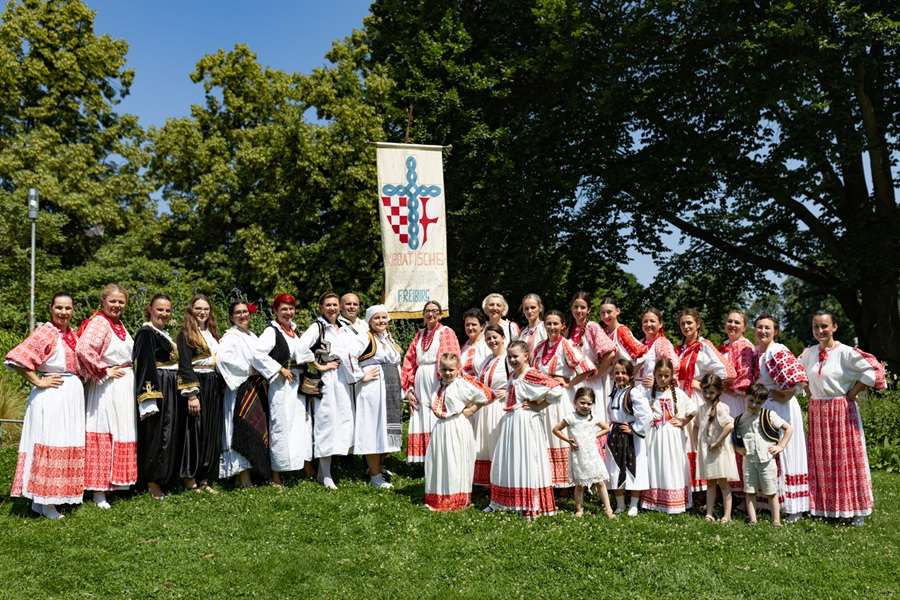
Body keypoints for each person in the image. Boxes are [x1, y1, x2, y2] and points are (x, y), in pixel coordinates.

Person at [799, 311, 886, 525]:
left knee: (847, 459)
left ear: (834, 327)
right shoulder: (809, 353)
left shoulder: (845, 352)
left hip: (841, 409)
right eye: (816, 326)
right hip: (817, 409)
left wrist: (854, 392)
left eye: (824, 326)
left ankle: (856, 509)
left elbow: (871, 371)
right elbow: (798, 373)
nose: (820, 330)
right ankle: (824, 506)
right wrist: (808, 391)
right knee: (821, 459)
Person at [5, 293, 84, 519]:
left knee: (65, 442)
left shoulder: (70, 334)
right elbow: (16, 359)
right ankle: (46, 502)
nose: (63, 312)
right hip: (52, 395)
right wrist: (39, 381)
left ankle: (43, 501)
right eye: (59, 307)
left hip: (68, 395)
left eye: (67, 308)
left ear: (73, 310)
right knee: (51, 442)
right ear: (51, 308)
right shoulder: (47, 332)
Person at [488, 341, 567, 518]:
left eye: (515, 356)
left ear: (526, 356)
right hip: (511, 420)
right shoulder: (513, 375)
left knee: (527, 459)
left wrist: (538, 406)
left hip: (525, 421)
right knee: (512, 459)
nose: (512, 360)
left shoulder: (531, 374)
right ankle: (508, 501)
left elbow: (556, 389)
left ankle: (530, 503)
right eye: (509, 357)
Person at [76, 284, 137, 508]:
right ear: (103, 301)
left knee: (120, 431)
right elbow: (83, 349)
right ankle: (98, 492)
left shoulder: (118, 324)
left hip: (122, 387)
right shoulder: (100, 322)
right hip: (107, 388)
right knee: (104, 430)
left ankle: (114, 485)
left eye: (121, 302)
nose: (117, 305)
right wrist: (104, 370)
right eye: (113, 301)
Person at [299, 292, 366, 489]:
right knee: (326, 424)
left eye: (335, 305)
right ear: (321, 307)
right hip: (326, 382)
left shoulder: (344, 327)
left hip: (343, 381)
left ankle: (330, 468)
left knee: (342, 422)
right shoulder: (317, 327)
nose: (332, 308)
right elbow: (300, 348)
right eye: (328, 305)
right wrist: (320, 366)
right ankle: (325, 473)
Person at [254, 294, 315, 485]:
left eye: (291, 308)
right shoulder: (271, 331)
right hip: (281, 385)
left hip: (297, 383)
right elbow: (257, 354)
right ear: (275, 311)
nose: (288, 313)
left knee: (299, 424)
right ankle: (276, 474)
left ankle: (299, 465)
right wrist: (279, 369)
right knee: (281, 425)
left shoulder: (294, 332)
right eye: (284, 309)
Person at [753, 313, 809, 522]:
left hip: (782, 407)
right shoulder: (761, 353)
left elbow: (799, 379)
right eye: (759, 327)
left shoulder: (778, 350)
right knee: (769, 452)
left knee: (785, 451)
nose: (763, 331)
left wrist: (787, 394)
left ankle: (793, 506)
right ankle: (772, 502)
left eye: (767, 327)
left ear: (775, 331)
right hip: (768, 405)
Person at [532, 310, 595, 488]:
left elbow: (587, 367)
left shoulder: (566, 344)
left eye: (555, 323)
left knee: (559, 434)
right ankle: (547, 479)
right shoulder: (539, 346)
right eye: (548, 323)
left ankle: (566, 483)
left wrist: (569, 383)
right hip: (542, 395)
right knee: (544, 435)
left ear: (563, 326)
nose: (552, 327)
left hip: (559, 397)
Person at [675, 308, 733, 494]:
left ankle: (701, 490)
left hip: (696, 398)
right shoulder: (680, 349)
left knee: (696, 441)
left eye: (689, 323)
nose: (686, 326)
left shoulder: (703, 346)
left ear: (698, 324)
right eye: (683, 323)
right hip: (681, 398)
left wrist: (702, 386)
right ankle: (686, 488)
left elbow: (726, 372)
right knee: (684, 442)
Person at [424, 353, 490, 511]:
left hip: (457, 425)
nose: (447, 373)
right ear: (439, 369)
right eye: (444, 369)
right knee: (441, 460)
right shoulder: (439, 385)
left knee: (455, 460)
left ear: (458, 368)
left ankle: (455, 499)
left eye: (451, 370)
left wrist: (471, 410)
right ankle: (439, 496)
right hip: (441, 426)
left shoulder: (462, 384)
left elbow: (484, 395)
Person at [216, 301, 271, 488]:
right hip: (240, 388)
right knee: (239, 429)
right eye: (238, 313)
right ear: (231, 317)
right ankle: (242, 477)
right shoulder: (230, 337)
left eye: (245, 312)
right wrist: (249, 369)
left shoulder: (252, 336)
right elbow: (222, 360)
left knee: (253, 428)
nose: (243, 316)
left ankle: (251, 473)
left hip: (254, 387)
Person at [133, 294, 181, 499]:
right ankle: (151, 482)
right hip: (158, 385)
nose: (164, 313)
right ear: (150, 309)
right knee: (156, 434)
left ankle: (164, 478)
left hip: (170, 384)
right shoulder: (146, 333)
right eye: (160, 309)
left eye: (167, 310)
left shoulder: (162, 334)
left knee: (167, 432)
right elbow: (145, 364)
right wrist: (149, 397)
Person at [401, 300, 461, 463]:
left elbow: (451, 357)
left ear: (440, 315)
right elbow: (409, 360)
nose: (431, 314)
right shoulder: (420, 335)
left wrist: (446, 382)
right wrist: (409, 387)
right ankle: (424, 458)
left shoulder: (446, 332)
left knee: (436, 412)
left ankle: (439, 456)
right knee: (422, 414)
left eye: (435, 311)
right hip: (421, 378)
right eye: (427, 310)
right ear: (423, 314)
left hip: (437, 378)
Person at [176, 294, 224, 492]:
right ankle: (190, 479)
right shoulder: (186, 334)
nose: (202, 312)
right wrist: (192, 395)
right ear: (191, 310)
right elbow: (185, 366)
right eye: (198, 308)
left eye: (206, 309)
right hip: (197, 383)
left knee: (210, 431)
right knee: (194, 431)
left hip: (213, 383)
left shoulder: (212, 334)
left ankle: (204, 478)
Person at [353, 304, 403, 489]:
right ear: (369, 321)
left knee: (385, 429)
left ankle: (378, 467)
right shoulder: (364, 337)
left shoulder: (388, 339)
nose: (381, 321)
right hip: (373, 390)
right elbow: (348, 357)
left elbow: (396, 363)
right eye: (377, 318)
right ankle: (374, 475)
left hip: (389, 388)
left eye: (384, 317)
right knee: (374, 429)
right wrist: (360, 375)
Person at [734, 384, 794, 527]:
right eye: (751, 400)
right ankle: (753, 520)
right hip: (749, 461)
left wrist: (780, 446)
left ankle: (776, 520)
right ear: (745, 397)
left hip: (767, 460)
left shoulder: (768, 415)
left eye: (758, 402)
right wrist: (738, 448)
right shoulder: (740, 420)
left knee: (771, 491)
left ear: (764, 402)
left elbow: (788, 428)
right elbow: (735, 438)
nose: (754, 405)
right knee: (750, 491)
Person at [641, 358, 695, 514]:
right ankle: (655, 500)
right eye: (660, 375)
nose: (663, 379)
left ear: (672, 376)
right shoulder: (648, 394)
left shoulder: (677, 393)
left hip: (672, 436)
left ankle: (674, 502)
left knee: (671, 464)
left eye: (666, 376)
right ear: (654, 374)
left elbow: (693, 409)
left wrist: (684, 421)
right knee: (656, 464)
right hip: (655, 436)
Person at [553, 387, 614, 518]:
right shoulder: (570, 418)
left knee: (600, 482)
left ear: (592, 404)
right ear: (575, 402)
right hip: (578, 456)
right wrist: (568, 440)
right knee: (580, 485)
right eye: (582, 402)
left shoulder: (594, 418)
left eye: (589, 403)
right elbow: (556, 429)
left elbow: (606, 428)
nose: (585, 406)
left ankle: (608, 509)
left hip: (592, 455)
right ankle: (579, 509)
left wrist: (594, 435)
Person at [605, 359, 652, 517]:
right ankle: (620, 504)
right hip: (615, 435)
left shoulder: (634, 393)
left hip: (631, 437)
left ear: (631, 375)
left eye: (624, 373)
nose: (620, 376)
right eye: (617, 372)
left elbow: (647, 414)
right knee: (615, 468)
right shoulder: (614, 392)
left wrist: (634, 429)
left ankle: (633, 505)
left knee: (635, 469)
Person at [718, 310, 755, 498]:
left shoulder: (745, 346)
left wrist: (726, 387)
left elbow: (746, 378)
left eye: (737, 322)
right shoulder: (724, 345)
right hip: (723, 399)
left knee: (737, 442)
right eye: (730, 321)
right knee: (724, 443)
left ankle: (741, 493)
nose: (732, 325)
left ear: (744, 327)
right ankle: (726, 491)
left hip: (737, 400)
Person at [696, 374, 739, 523]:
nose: (708, 395)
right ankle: (709, 513)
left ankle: (727, 515)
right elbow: (698, 426)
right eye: (705, 391)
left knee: (723, 483)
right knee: (710, 483)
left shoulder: (721, 408)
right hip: (708, 451)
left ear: (719, 392)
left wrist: (717, 441)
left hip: (719, 452)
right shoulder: (702, 408)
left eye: (711, 392)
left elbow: (729, 425)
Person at [567, 291, 616, 419]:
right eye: (576, 307)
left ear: (588, 310)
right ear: (571, 308)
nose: (579, 310)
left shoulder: (592, 327)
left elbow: (610, 353)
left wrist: (598, 373)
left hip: (590, 382)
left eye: (582, 307)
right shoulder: (569, 330)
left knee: (592, 418)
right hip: (574, 380)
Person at [473, 324, 508, 487]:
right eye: (488, 338)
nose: (492, 341)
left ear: (503, 337)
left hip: (500, 407)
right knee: (485, 442)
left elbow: (519, 379)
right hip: (485, 407)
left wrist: (508, 391)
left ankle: (501, 481)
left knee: (497, 442)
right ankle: (489, 482)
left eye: (495, 337)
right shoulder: (487, 359)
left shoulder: (508, 359)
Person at [635, 308, 680, 388]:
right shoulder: (639, 343)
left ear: (660, 324)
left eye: (652, 321)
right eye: (645, 321)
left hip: (655, 391)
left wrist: (657, 381)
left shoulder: (662, 343)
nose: (648, 324)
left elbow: (673, 367)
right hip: (637, 390)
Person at [460, 308, 491, 378]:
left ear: (482, 326)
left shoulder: (488, 345)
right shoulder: (463, 348)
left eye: (474, 324)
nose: (470, 328)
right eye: (467, 325)